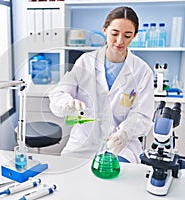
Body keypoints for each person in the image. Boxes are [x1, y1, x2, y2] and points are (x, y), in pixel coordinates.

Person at [48, 6, 154, 163]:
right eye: (114, 33)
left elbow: (143, 116)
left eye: (127, 35)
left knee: (117, 181)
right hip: (83, 143)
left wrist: (124, 133)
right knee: (69, 179)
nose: (120, 41)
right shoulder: (86, 62)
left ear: (134, 36)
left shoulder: (142, 71)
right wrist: (67, 104)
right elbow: (58, 94)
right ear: (105, 30)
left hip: (120, 146)